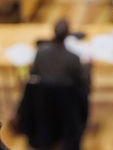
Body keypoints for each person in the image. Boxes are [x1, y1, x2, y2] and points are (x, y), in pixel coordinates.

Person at [22, 19, 90, 150]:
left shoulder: (41, 52)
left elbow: (34, 72)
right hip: (67, 105)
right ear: (67, 34)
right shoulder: (73, 58)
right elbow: (81, 80)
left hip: (43, 103)